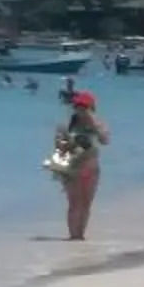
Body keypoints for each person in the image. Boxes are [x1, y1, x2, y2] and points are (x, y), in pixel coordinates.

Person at [54, 91, 111, 240]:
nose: (80, 110)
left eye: (84, 107)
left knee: (86, 203)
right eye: (78, 107)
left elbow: (105, 140)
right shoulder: (67, 125)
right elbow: (59, 147)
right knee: (74, 203)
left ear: (91, 108)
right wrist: (63, 139)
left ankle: (80, 235)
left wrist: (93, 124)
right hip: (73, 168)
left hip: (91, 168)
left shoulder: (98, 124)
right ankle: (73, 236)